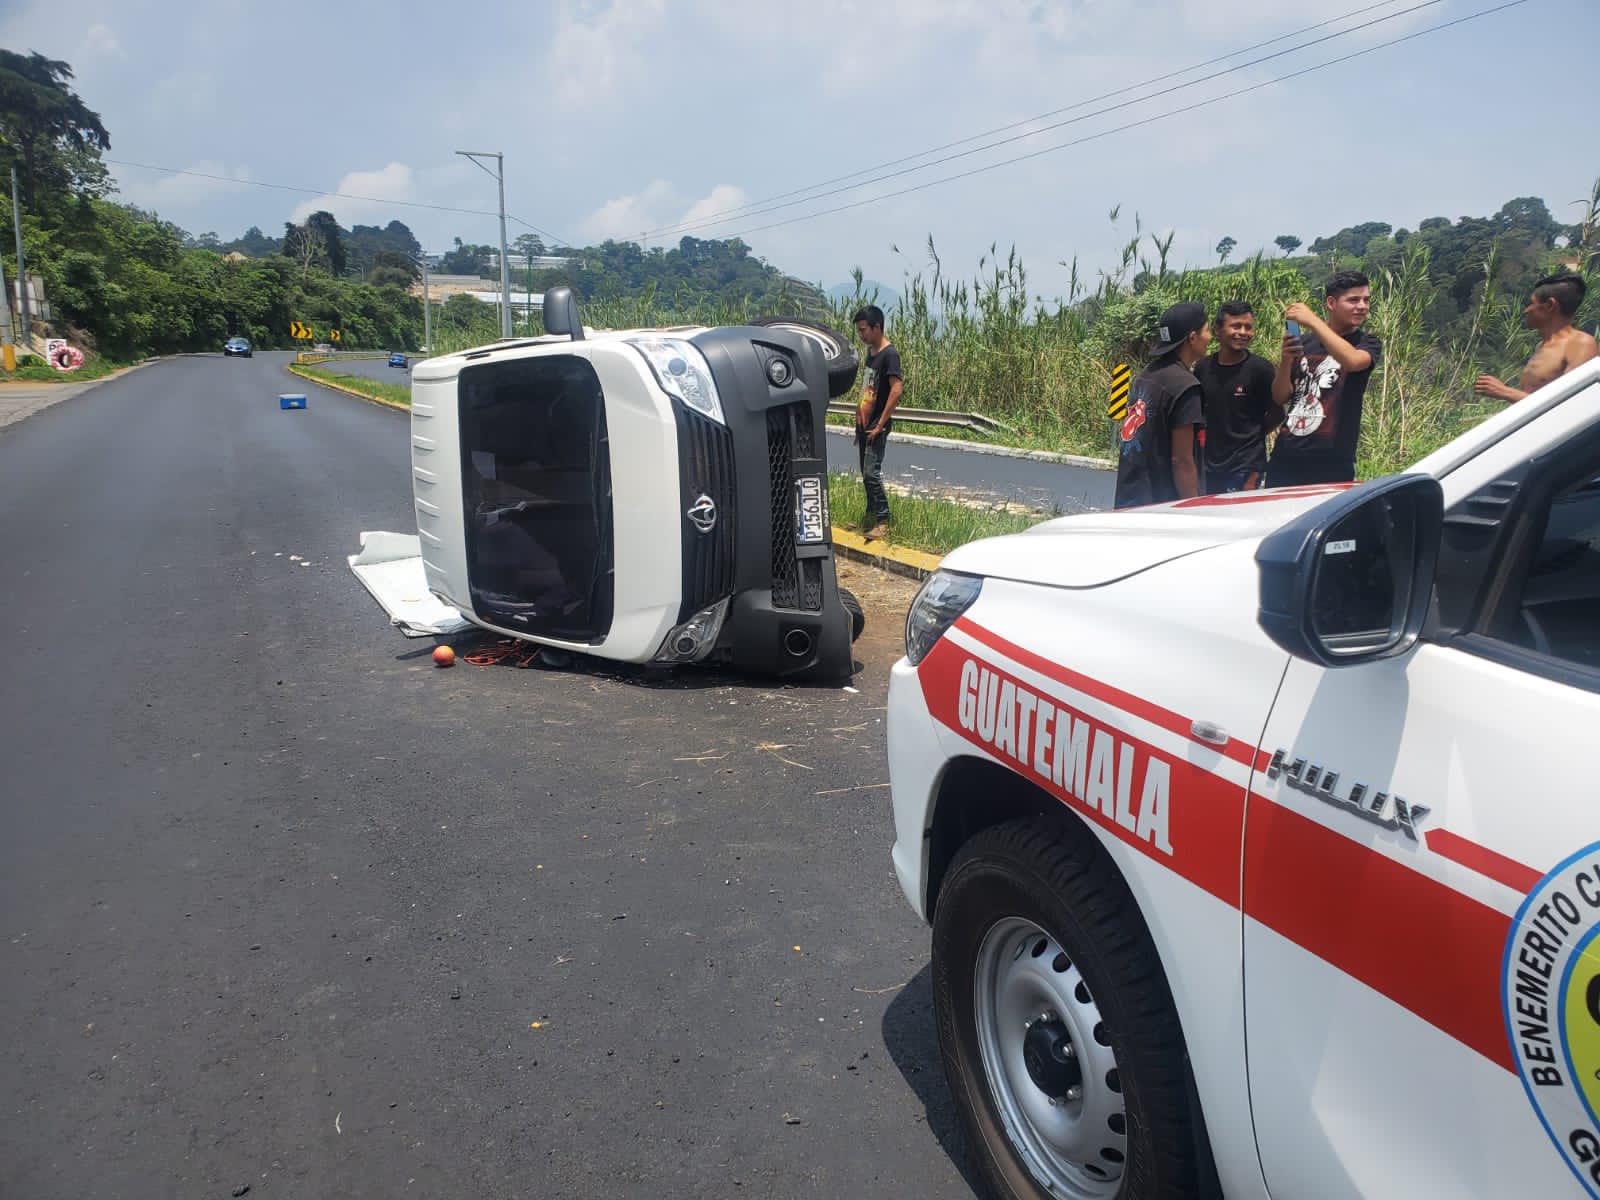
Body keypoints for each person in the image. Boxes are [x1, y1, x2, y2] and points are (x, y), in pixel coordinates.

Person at [1266, 270, 1382, 487]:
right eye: (1354, 300)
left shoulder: (1367, 343)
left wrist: (1313, 321)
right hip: (1287, 453)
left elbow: (1353, 361)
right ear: (1332, 303)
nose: (1362, 306)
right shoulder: (1305, 343)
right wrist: (1285, 361)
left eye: (1366, 300)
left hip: (1332, 459)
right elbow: (1280, 396)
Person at [1114, 301, 1209, 509]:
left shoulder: (1146, 375)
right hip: (1162, 507)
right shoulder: (1186, 386)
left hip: (1130, 497)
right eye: (1207, 330)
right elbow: (1181, 461)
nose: (1210, 338)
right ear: (1192, 338)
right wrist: (1194, 509)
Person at [1195, 300, 1280, 493]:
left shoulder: (1261, 370)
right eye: (1236, 326)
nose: (1243, 332)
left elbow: (1277, 414)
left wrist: (1251, 436)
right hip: (1209, 462)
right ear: (1218, 329)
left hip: (1246, 464)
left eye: (1248, 327)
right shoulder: (1203, 368)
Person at [1474, 273, 1597, 403]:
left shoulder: (1580, 344)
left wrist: (1504, 391)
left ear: (1550, 305)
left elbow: (1572, 404)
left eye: (1531, 303)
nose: (1526, 310)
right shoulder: (1541, 346)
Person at [853, 305, 903, 539]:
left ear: (877, 327)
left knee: (872, 474)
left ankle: (883, 521)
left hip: (876, 426)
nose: (861, 335)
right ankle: (870, 517)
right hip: (865, 423)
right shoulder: (871, 352)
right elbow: (868, 387)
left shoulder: (889, 354)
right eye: (859, 331)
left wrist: (881, 424)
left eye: (863, 330)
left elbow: (896, 390)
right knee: (865, 474)